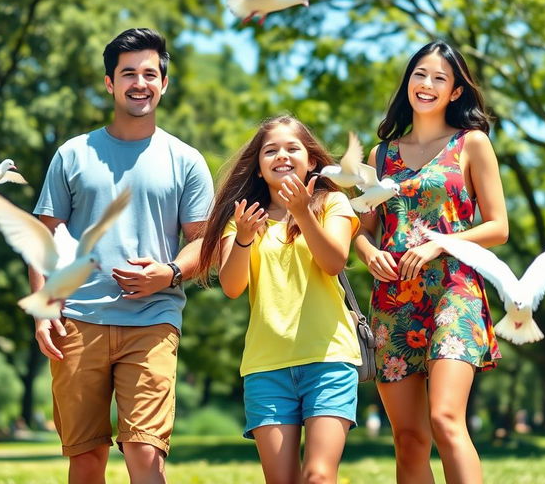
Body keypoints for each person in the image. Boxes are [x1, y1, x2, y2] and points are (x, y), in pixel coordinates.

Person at [29, 28, 214, 484]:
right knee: (86, 457)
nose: (140, 83)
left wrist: (168, 273)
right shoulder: (72, 154)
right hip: (77, 321)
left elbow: (203, 242)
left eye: (150, 73)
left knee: (145, 453)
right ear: (110, 83)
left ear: (164, 83)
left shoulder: (186, 160)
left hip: (153, 320)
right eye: (128, 73)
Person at [354, 41, 508, 484]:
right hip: (393, 297)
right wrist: (369, 254)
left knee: (444, 419)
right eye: (420, 74)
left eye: (440, 78)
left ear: (456, 92)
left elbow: (498, 227)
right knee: (408, 437)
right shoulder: (381, 156)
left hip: (455, 291)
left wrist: (440, 243)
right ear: (408, 82)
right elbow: (363, 230)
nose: (427, 84)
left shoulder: (471, 144)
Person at [197, 115, 362, 484]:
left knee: (318, 476)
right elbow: (232, 286)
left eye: (292, 148)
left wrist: (303, 212)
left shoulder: (333, 202)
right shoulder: (243, 219)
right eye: (270, 150)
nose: (282, 156)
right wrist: (242, 237)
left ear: (313, 160)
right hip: (266, 368)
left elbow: (334, 261)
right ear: (258, 167)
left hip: (329, 360)